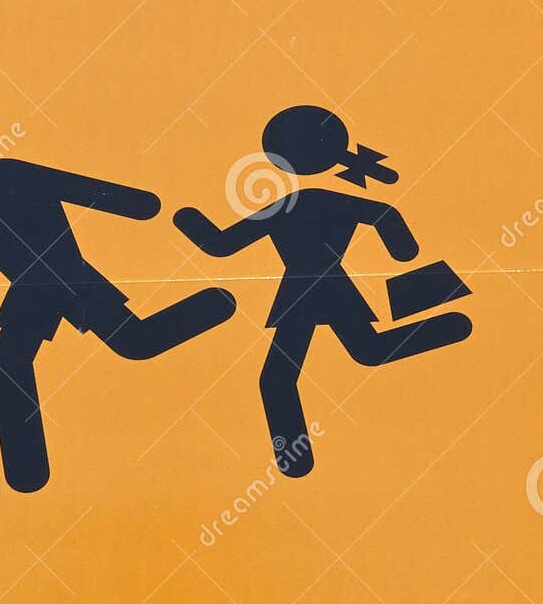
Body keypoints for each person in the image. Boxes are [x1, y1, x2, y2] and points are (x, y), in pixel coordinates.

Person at [0, 87, 237, 492]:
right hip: (55, 280)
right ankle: (216, 304)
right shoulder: (1, 176)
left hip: (52, 280)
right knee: (119, 344)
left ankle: (27, 470)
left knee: (18, 361)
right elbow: (108, 196)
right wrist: (140, 205)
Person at [173, 105, 471, 477]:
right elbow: (386, 215)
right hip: (328, 286)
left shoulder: (286, 205)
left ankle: (293, 459)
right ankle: (449, 326)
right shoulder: (329, 200)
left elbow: (221, 245)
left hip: (304, 290)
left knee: (279, 377)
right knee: (365, 351)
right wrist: (402, 250)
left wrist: (187, 220)